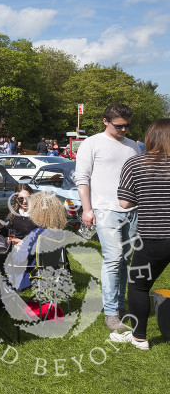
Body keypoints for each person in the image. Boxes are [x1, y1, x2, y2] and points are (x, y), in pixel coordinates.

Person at [75, 103, 140, 331]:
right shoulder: (91, 144)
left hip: (132, 211)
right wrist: (87, 209)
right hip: (104, 210)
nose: (124, 130)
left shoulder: (133, 147)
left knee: (125, 260)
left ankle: (120, 305)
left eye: (127, 126)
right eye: (119, 126)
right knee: (113, 259)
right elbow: (82, 178)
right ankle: (111, 312)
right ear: (105, 121)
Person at [110, 118, 170, 350]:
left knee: (138, 286)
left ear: (150, 136)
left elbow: (124, 202)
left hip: (152, 237)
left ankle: (139, 337)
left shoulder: (136, 163)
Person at [7, 191, 69, 291]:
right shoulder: (58, 232)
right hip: (50, 271)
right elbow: (37, 248)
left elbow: (18, 259)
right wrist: (24, 243)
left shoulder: (37, 234)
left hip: (30, 274)